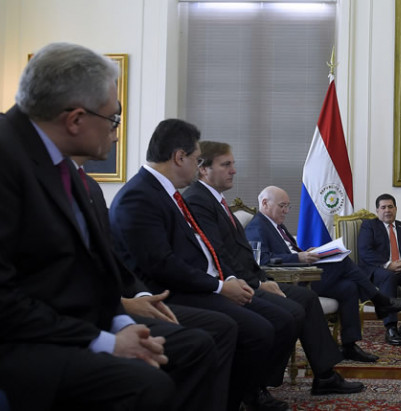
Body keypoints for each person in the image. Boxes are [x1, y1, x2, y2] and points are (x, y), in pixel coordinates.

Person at [0, 42, 197, 411]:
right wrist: (104, 341)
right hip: (2, 343)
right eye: (113, 119)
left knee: (187, 349)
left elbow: (91, 271)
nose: (116, 131)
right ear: (75, 119)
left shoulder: (61, 163)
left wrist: (121, 324)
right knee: (143, 386)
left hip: (58, 327)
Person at [109, 119, 290, 411]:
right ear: (179, 157)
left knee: (267, 323)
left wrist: (225, 281)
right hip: (169, 293)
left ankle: (235, 397)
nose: (197, 167)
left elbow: (199, 250)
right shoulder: (139, 196)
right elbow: (160, 264)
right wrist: (219, 286)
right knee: (255, 330)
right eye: (196, 160)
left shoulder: (166, 193)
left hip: (198, 284)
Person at [182, 141, 364, 395]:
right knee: (291, 312)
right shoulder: (198, 200)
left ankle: (323, 376)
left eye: (233, 164)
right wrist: (258, 283)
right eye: (226, 165)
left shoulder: (216, 200)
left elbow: (245, 255)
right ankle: (258, 386)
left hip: (252, 278)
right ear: (203, 169)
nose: (234, 170)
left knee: (308, 299)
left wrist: (263, 279)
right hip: (232, 284)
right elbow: (218, 254)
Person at [74, 155, 239, 411]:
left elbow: (111, 259)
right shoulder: (138, 195)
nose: (116, 137)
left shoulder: (90, 185)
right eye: (112, 121)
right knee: (212, 335)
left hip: (128, 301)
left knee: (227, 328)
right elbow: (159, 263)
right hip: (93, 313)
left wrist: (136, 298)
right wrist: (123, 307)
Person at [245, 186, 401, 363]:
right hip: (290, 283)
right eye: (282, 206)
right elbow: (262, 259)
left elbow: (284, 252)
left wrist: (305, 252)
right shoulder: (257, 226)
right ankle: (380, 300)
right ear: (265, 203)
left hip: (304, 275)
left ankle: (349, 345)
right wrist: (299, 257)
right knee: (342, 261)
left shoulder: (276, 225)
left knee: (348, 287)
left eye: (288, 206)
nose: (286, 211)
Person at [357, 193, 401, 346]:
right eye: (383, 207)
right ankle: (391, 327)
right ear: (377, 210)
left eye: (390, 207)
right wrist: (388, 264)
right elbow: (365, 252)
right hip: (377, 270)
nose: (387, 210)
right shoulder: (369, 226)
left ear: (396, 209)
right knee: (389, 277)